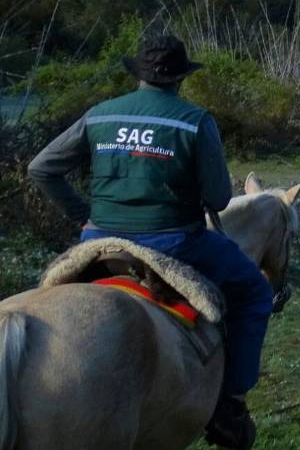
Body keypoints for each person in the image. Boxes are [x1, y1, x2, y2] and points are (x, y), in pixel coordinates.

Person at [28, 34, 271, 449]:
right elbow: (219, 199)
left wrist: (80, 214)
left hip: (99, 239)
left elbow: (41, 168)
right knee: (254, 293)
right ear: (180, 77)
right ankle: (230, 404)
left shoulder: (99, 114)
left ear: (139, 74)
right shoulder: (194, 120)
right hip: (175, 243)